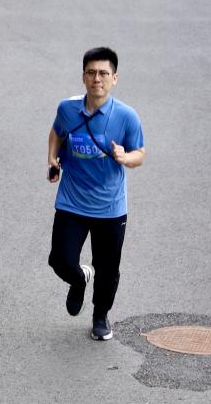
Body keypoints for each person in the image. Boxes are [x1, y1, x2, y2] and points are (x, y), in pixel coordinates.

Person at [45, 47, 145, 342]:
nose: (96, 79)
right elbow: (56, 133)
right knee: (60, 261)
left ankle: (100, 316)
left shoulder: (126, 116)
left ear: (114, 78)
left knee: (108, 269)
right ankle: (78, 279)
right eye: (91, 73)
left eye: (103, 73)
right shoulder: (67, 108)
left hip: (110, 207)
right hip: (72, 201)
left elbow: (140, 154)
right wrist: (52, 158)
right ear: (83, 77)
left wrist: (125, 158)